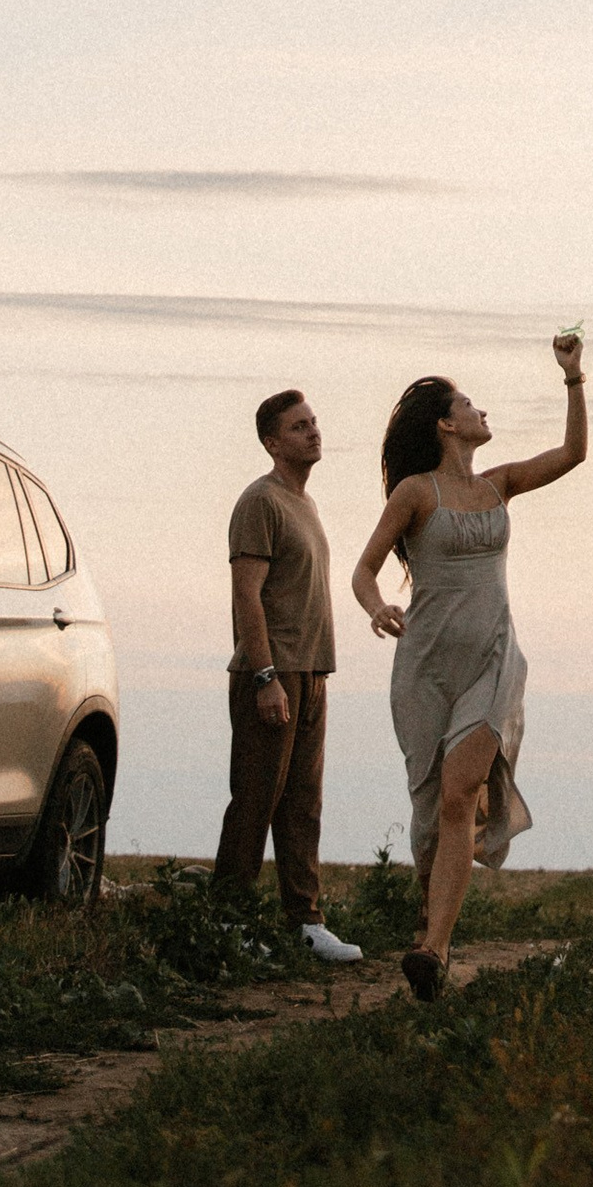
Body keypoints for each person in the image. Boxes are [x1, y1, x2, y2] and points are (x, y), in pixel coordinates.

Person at [350, 332, 585, 998]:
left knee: (459, 795)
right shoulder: (416, 495)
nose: (483, 412)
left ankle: (434, 947)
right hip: (425, 665)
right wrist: (376, 609)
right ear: (447, 424)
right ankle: (434, 943)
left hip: (491, 659)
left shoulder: (500, 484)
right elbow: (365, 570)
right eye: (470, 404)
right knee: (432, 812)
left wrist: (573, 378)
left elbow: (573, 453)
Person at [213, 389, 362, 967]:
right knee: (255, 799)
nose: (313, 432)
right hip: (270, 675)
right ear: (273, 442)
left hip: (312, 671)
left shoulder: (308, 504)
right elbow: (245, 596)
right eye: (299, 427)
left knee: (303, 803)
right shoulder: (260, 502)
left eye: (314, 423)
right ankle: (226, 922)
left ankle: (305, 920)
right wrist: (264, 676)